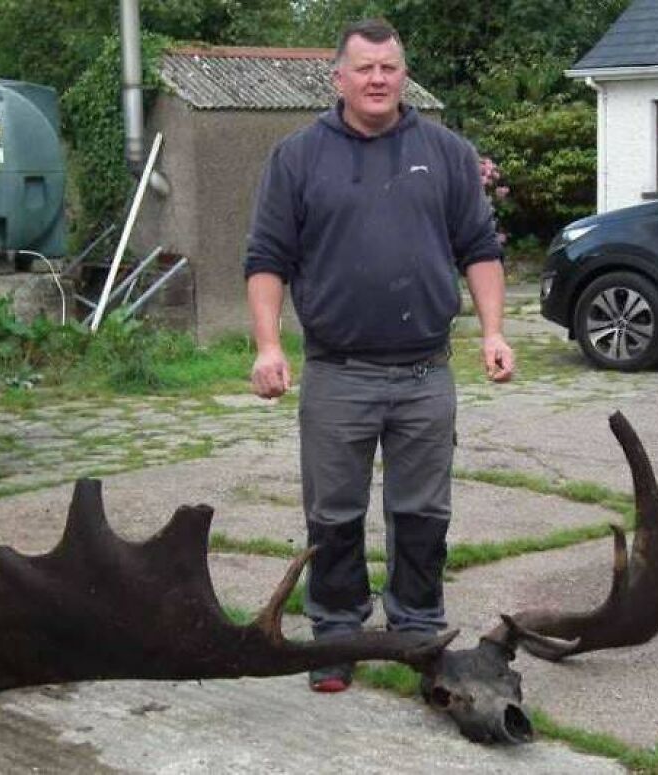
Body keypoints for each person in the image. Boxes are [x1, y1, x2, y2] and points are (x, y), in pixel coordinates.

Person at [244, 18, 514, 693]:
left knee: (422, 511)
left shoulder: (447, 153)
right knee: (332, 514)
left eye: (389, 67)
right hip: (338, 372)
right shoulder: (298, 158)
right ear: (337, 77)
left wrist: (492, 332)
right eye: (363, 68)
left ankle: (419, 631)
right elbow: (266, 259)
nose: (377, 79)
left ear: (403, 74)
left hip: (426, 371)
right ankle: (335, 636)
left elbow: (479, 248)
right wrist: (269, 344)